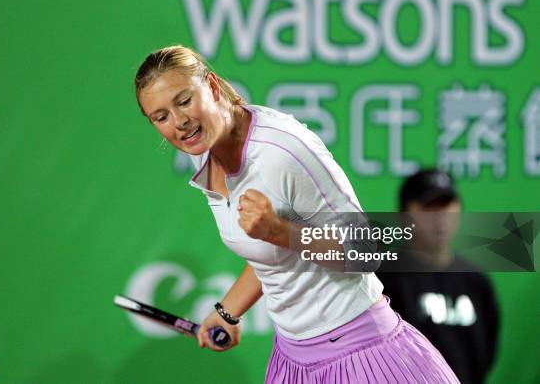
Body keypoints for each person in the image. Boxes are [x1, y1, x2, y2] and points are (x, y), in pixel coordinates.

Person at [134, 45, 460, 383]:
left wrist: (281, 232)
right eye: (161, 117)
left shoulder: (284, 150)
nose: (180, 122)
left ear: (213, 87)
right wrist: (227, 310)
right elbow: (272, 256)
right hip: (294, 357)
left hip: (362, 352)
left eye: (184, 101)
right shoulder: (203, 150)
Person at [377, 169, 500, 384]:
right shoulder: (383, 280)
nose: (440, 217)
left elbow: (486, 352)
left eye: (446, 205)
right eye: (428, 207)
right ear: (405, 215)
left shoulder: (475, 281)